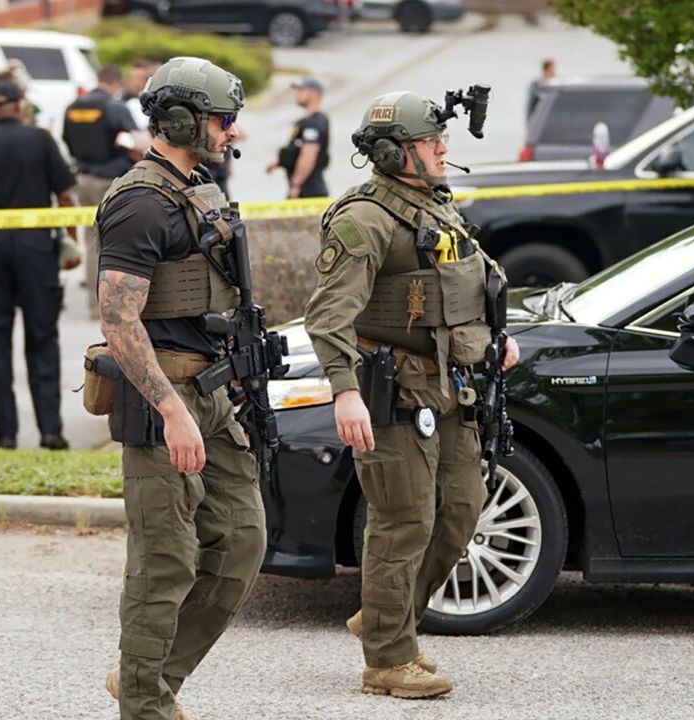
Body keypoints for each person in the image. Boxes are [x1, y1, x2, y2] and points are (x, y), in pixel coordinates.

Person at [303, 91, 519, 700]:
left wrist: (497, 339)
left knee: (461, 511)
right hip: (393, 392)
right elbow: (327, 317)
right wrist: (345, 394)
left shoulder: (435, 208)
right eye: (430, 142)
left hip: (453, 387)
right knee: (404, 523)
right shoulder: (364, 219)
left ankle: (381, 618)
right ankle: (387, 659)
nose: (443, 149)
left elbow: (467, 287)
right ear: (395, 152)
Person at [95, 56, 265, 720]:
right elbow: (117, 318)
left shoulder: (197, 188)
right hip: (161, 399)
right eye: (222, 119)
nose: (230, 130)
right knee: (164, 562)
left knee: (243, 542)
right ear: (182, 119)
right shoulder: (141, 202)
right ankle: (145, 704)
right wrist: (172, 409)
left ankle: (150, 678)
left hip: (211, 394)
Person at [0, 80, 79, 451]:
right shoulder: (40, 139)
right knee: (42, 337)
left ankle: (6, 435)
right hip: (36, 247)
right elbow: (65, 194)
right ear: (20, 105)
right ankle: (50, 431)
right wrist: (70, 243)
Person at [62, 64, 139, 317]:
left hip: (83, 178)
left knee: (91, 240)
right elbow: (133, 141)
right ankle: (113, 305)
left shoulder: (73, 107)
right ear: (115, 83)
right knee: (115, 242)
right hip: (110, 181)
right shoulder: (115, 107)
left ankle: (95, 306)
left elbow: (68, 141)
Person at [267, 77, 330, 198]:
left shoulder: (315, 122)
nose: (296, 94)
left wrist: (296, 184)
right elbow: (296, 150)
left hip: (309, 190)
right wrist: (278, 162)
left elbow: (308, 155)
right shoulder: (307, 121)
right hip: (305, 188)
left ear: (314, 93)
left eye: (301, 90)